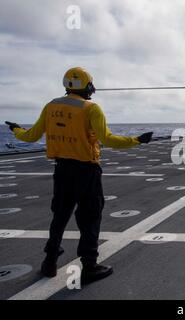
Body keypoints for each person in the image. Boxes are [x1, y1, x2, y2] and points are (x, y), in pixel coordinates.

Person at [6, 67, 154, 285]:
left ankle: (49, 261)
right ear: (88, 85)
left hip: (62, 169)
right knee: (90, 217)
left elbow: (31, 136)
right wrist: (137, 140)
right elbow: (108, 139)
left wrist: (17, 130)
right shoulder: (91, 108)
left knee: (60, 215)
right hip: (86, 171)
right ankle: (89, 266)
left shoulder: (51, 106)